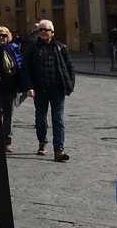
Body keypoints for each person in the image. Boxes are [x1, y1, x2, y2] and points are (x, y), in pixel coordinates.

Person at [20, 19, 76, 161]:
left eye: (46, 30)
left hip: (57, 89)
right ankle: (42, 142)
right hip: (39, 89)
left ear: (52, 32)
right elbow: (25, 70)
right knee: (41, 119)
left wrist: (70, 86)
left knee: (58, 119)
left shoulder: (61, 47)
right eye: (41, 30)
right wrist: (28, 88)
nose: (43, 32)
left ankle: (59, 150)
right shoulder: (31, 49)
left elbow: (69, 67)